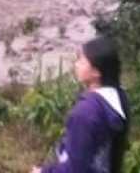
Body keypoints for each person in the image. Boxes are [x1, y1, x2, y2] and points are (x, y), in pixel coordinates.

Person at [31, 36, 130, 173]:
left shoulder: (85, 114)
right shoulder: (120, 97)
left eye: (82, 61)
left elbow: (75, 169)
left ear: (96, 72)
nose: (76, 64)